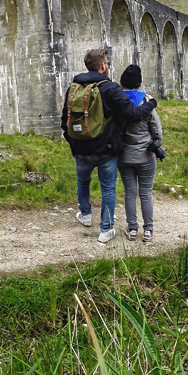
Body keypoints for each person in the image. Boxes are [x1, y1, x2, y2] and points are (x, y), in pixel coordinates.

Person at [61, 49, 158, 244]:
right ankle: (106, 230)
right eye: (107, 63)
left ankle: (86, 215)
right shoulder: (111, 88)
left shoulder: (74, 87)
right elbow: (134, 114)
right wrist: (152, 102)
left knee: (83, 182)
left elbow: (65, 120)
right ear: (103, 66)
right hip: (106, 149)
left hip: (81, 147)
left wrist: (72, 144)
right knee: (108, 189)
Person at [117, 64, 162, 242]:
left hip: (125, 155)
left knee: (129, 192)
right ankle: (148, 230)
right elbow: (156, 129)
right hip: (145, 155)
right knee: (145, 193)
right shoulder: (146, 102)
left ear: (122, 82)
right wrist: (157, 147)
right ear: (139, 82)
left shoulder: (118, 102)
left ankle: (132, 228)